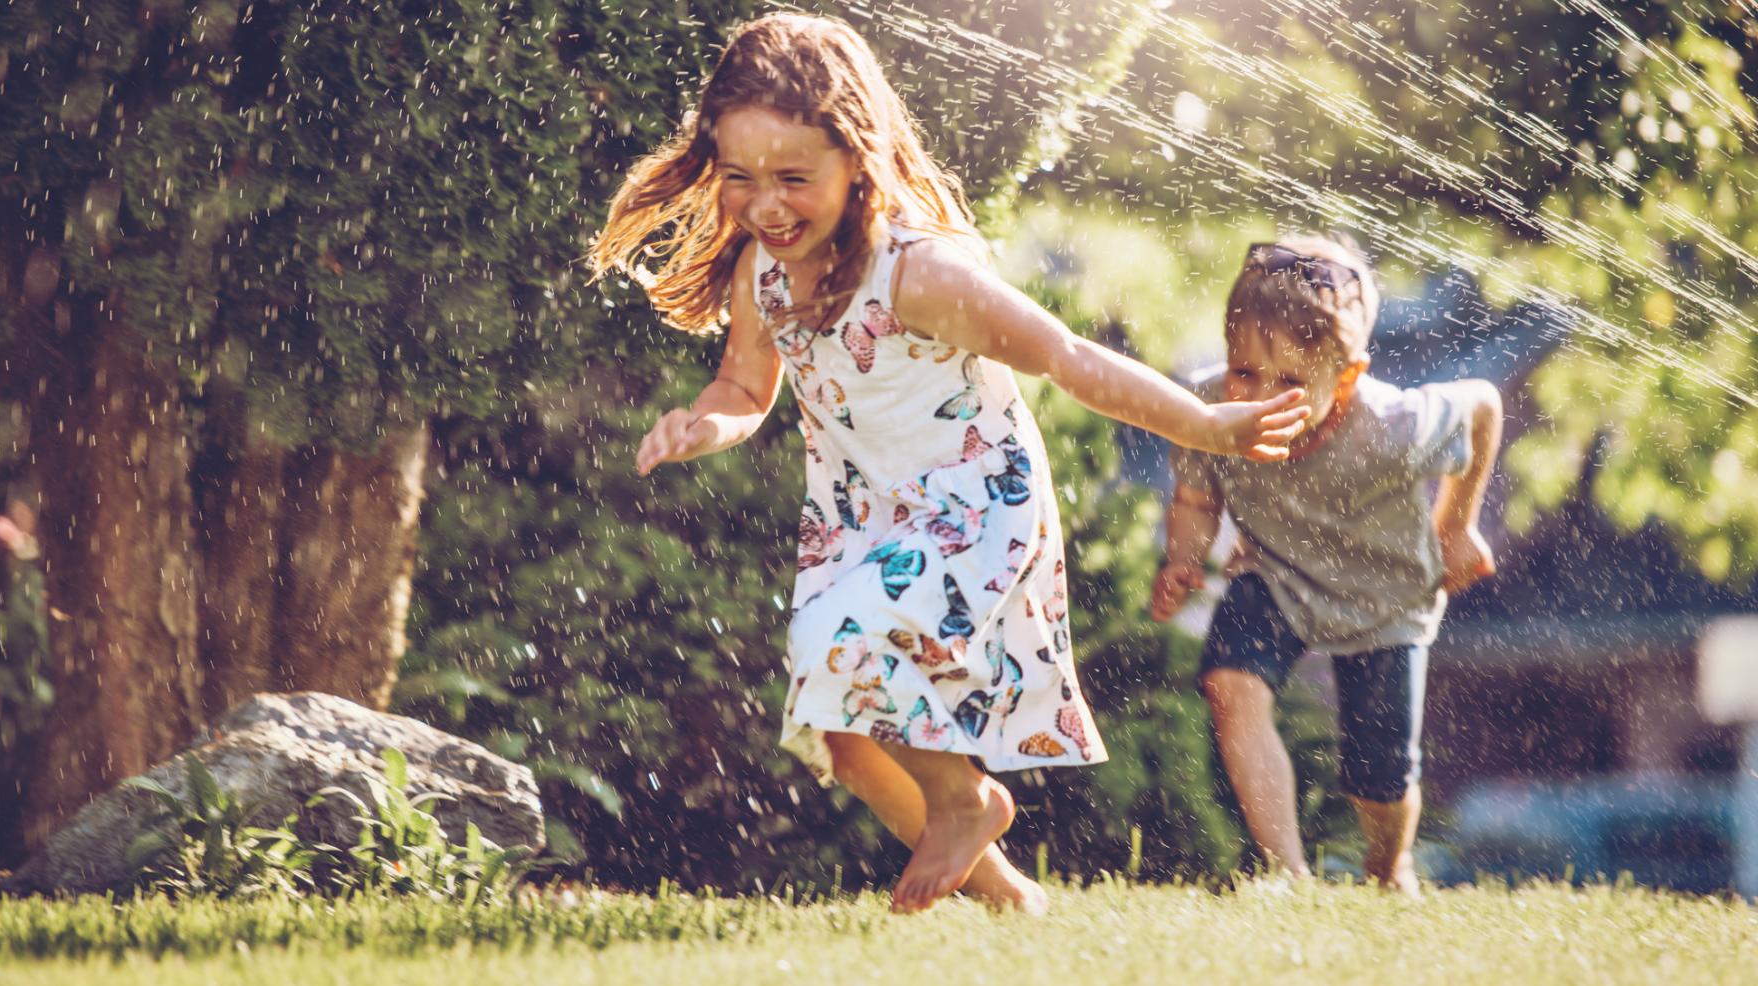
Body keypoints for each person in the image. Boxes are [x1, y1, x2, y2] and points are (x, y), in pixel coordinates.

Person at [590, 12, 1310, 913]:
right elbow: (744, 387)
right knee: (842, 737)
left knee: (833, 648)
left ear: (857, 158)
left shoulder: (919, 274)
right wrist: (705, 424)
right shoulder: (762, 275)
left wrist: (1206, 424)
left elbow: (1067, 358)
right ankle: (1010, 900)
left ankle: (967, 801)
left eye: (793, 178)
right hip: (862, 518)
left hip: (972, 504)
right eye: (739, 179)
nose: (765, 204)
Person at [1151, 236, 1504, 893]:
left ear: (1345, 378)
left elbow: (1484, 402)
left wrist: (1457, 527)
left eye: (1289, 382)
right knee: (1231, 685)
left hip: (1385, 598)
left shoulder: (1397, 424)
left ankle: (1387, 867)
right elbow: (1198, 496)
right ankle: (1287, 876)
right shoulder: (1212, 412)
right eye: (1244, 371)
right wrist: (1184, 557)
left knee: (1378, 776)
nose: (1259, 396)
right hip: (1275, 575)